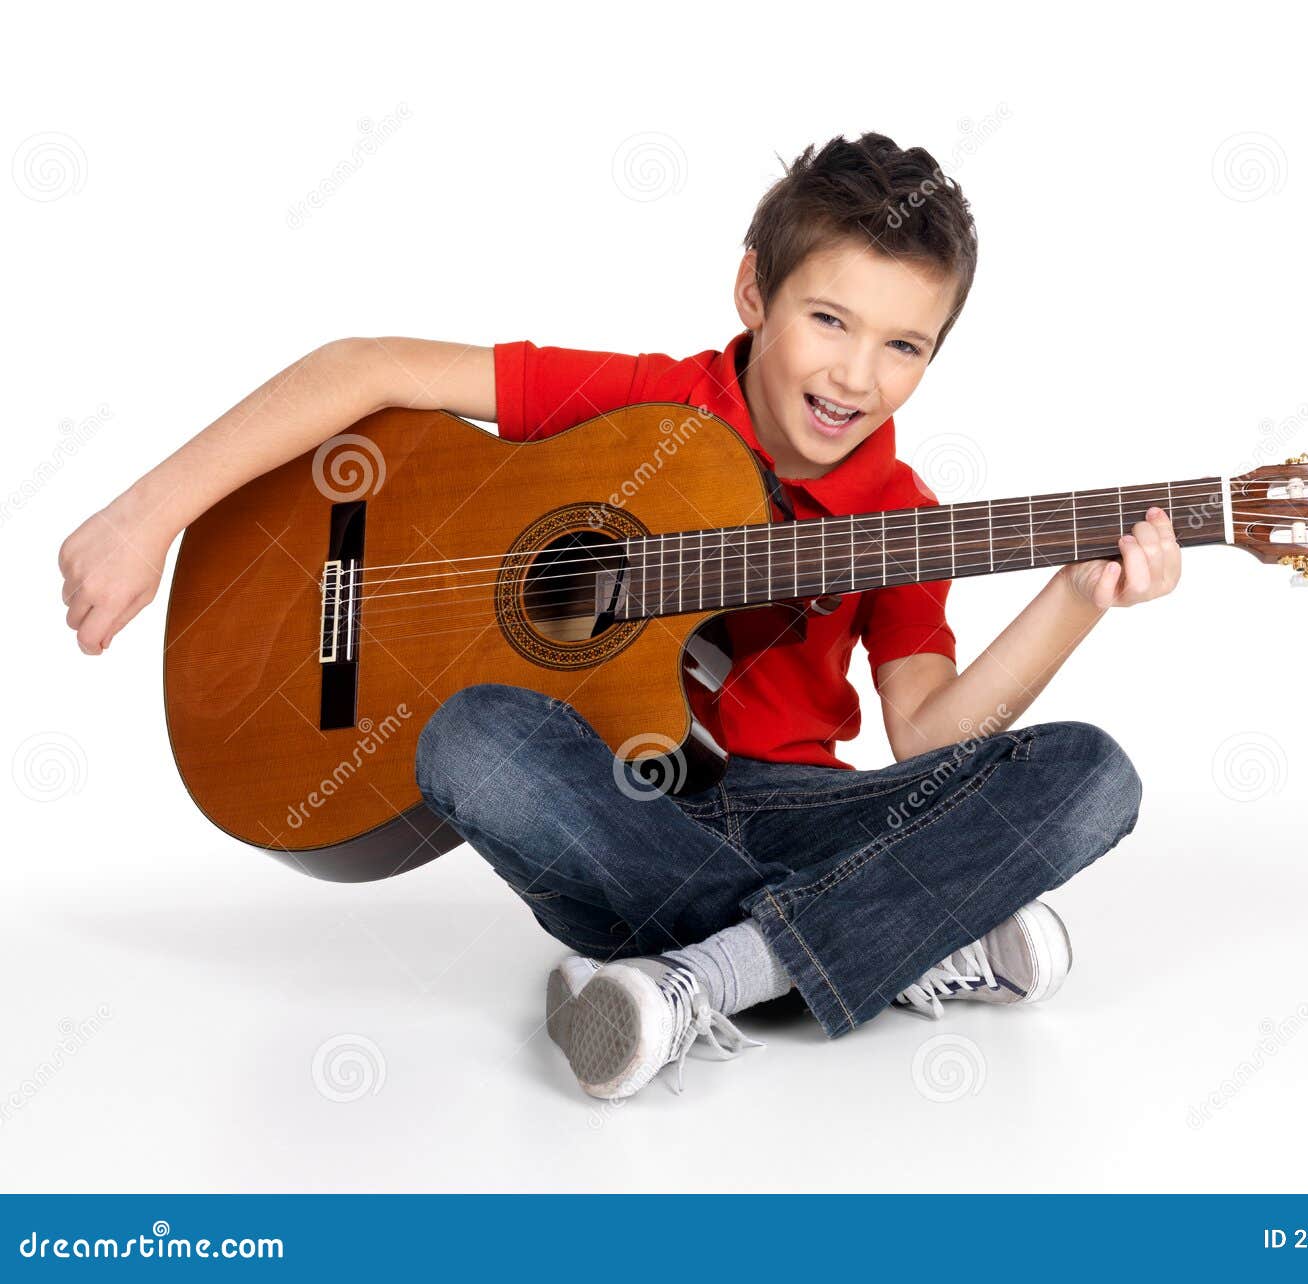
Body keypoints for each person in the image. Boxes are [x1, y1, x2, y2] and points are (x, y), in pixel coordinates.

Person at [59, 132, 1175, 1103]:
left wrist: (1076, 600)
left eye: (904, 345)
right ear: (753, 294)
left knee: (1092, 774)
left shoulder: (898, 515)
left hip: (800, 810)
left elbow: (928, 736)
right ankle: (904, 931)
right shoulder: (651, 406)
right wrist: (146, 515)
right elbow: (369, 368)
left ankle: (698, 978)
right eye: (828, 319)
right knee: (470, 738)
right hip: (617, 816)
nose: (856, 374)